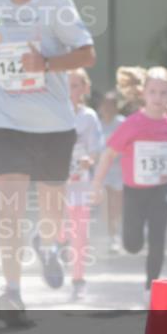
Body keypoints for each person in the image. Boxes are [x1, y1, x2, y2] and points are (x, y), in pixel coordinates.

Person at [0, 0, 96, 326]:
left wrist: (46, 62)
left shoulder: (56, 5)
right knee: (10, 208)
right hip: (6, 123)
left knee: (51, 209)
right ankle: (13, 292)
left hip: (54, 125)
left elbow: (87, 54)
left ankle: (50, 244)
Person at [92, 67, 167, 296]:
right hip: (134, 191)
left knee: (158, 238)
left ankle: (150, 287)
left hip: (160, 190)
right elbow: (109, 154)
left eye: (163, 93)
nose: (158, 98)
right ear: (143, 93)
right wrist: (96, 184)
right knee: (132, 245)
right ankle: (132, 236)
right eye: (153, 92)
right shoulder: (132, 124)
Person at [62, 69, 103, 300]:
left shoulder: (89, 117)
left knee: (80, 235)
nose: (71, 91)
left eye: (76, 85)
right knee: (59, 231)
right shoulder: (54, 114)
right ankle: (54, 249)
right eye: (67, 85)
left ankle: (78, 280)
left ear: (85, 88)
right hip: (57, 184)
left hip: (80, 184)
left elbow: (96, 148)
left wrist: (89, 160)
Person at [97, 91, 125, 254]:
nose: (107, 108)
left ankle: (116, 235)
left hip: (119, 170)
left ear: (116, 107)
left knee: (116, 205)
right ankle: (110, 235)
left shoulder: (122, 123)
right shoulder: (97, 123)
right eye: (104, 105)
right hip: (102, 171)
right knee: (106, 205)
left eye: (110, 105)